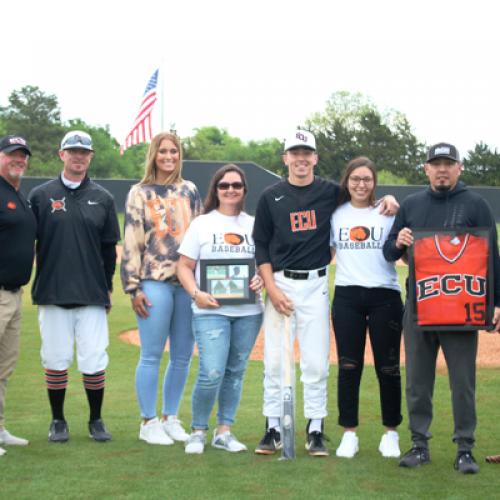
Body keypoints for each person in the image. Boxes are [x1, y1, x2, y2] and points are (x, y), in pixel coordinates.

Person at [252, 130, 398, 456]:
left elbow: (365, 199)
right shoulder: (270, 196)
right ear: (285, 158)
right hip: (280, 284)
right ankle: (273, 427)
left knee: (316, 362)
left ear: (315, 158)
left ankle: (315, 428)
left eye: (307, 153)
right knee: (275, 361)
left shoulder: (332, 193)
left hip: (316, 284)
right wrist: (272, 290)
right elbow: (260, 245)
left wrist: (389, 199)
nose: (301, 159)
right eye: (295, 152)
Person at [383, 142, 500, 474]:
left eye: (449, 163)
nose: (442, 169)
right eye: (436, 164)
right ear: (426, 168)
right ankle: (419, 444)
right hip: (420, 308)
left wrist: (497, 302)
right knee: (418, 382)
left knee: (463, 382)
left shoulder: (475, 204)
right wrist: (399, 241)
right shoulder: (412, 205)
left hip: (461, 310)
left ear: (459, 168)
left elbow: (492, 257)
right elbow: (389, 252)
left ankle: (465, 448)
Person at [29, 130, 120, 443]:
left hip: (92, 293)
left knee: (94, 359)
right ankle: (58, 420)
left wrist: (107, 287)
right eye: (73, 151)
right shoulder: (40, 196)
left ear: (91, 156)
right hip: (52, 292)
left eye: (84, 152)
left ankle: (96, 420)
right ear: (61, 154)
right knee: (55, 359)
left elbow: (109, 249)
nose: (79, 156)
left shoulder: (104, 198)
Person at [176, 164, 264, 454]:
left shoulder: (254, 225)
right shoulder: (202, 224)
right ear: (216, 189)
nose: (230, 190)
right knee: (211, 371)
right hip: (209, 308)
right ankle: (198, 431)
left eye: (236, 185)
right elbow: (184, 266)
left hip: (248, 311)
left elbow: (266, 264)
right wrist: (196, 293)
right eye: (224, 185)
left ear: (244, 190)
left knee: (235, 371)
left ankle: (223, 431)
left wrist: (261, 278)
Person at [121, 132, 201, 445]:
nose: (169, 156)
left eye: (174, 151)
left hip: (186, 283)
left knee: (182, 356)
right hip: (154, 281)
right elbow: (132, 240)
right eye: (163, 151)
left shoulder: (190, 190)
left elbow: (199, 237)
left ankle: (170, 417)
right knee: (152, 354)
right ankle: (148, 421)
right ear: (154, 154)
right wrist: (132, 286)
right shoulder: (139, 192)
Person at [330, 157, 403, 459]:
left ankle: (391, 432)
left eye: (367, 179)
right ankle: (349, 433)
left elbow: (400, 249)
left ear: (374, 182)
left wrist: (392, 201)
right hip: (347, 296)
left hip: (385, 296)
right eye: (355, 179)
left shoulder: (389, 211)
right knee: (349, 366)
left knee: (388, 367)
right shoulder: (335, 214)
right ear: (346, 181)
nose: (361, 184)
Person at [0, 135, 37, 456]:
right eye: (12, 154)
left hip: (14, 294)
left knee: (4, 366)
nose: (19, 160)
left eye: (22, 155)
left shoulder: (18, 195)